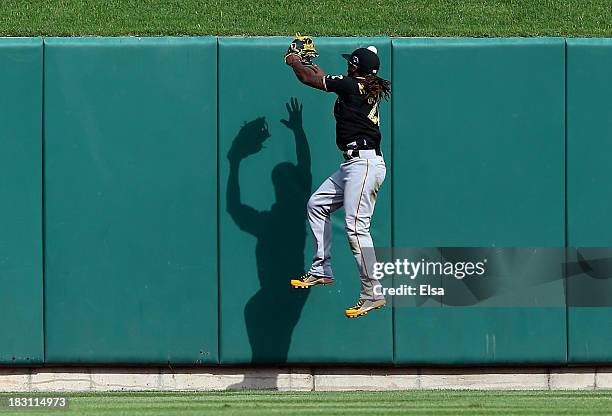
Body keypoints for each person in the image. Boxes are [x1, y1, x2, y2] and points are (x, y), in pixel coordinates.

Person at [285, 44, 391, 318]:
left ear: (356, 66)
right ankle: (322, 269)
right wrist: (322, 76)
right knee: (317, 205)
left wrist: (294, 60)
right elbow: (330, 82)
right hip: (355, 164)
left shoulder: (350, 83)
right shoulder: (364, 84)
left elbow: (308, 79)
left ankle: (372, 292)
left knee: (356, 228)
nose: (347, 65)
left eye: (350, 62)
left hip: (364, 164)